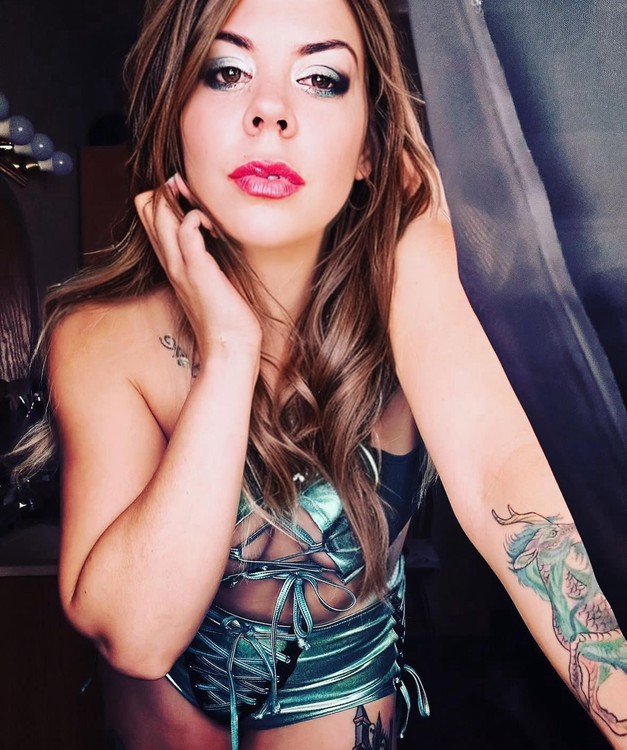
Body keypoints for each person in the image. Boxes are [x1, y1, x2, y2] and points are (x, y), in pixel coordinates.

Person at [16, 0, 627, 748]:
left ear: (370, 147)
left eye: (322, 78)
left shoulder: (410, 282)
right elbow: (134, 638)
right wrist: (230, 351)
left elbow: (498, 475)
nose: (270, 112)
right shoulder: (100, 334)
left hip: (341, 690)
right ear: (174, 115)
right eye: (227, 71)